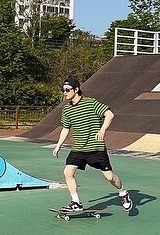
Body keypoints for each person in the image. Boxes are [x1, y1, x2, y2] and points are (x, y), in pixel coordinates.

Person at [52, 76, 133, 212]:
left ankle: (123, 193)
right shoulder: (66, 110)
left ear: (76, 90)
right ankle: (76, 202)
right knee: (68, 172)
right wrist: (58, 145)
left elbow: (109, 115)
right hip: (78, 148)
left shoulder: (91, 103)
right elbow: (66, 128)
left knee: (110, 177)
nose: (64, 92)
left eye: (67, 90)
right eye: (63, 90)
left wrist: (102, 130)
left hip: (95, 148)